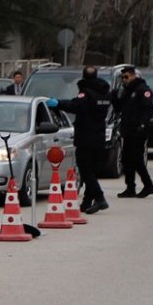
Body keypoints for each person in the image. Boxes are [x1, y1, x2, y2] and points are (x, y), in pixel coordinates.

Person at [46, 66, 111, 214]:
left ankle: (100, 198)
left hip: (86, 136)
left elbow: (77, 106)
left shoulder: (86, 92)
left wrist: (59, 104)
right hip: (99, 135)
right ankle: (87, 202)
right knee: (91, 171)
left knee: (85, 170)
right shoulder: (105, 92)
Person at [111, 66, 153, 198]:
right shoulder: (127, 91)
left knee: (137, 159)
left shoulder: (142, 90)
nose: (124, 80)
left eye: (126, 77)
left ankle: (148, 185)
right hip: (128, 130)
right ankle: (130, 187)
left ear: (133, 76)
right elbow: (119, 109)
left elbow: (149, 110)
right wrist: (114, 97)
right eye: (122, 77)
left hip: (138, 131)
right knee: (126, 159)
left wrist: (142, 124)